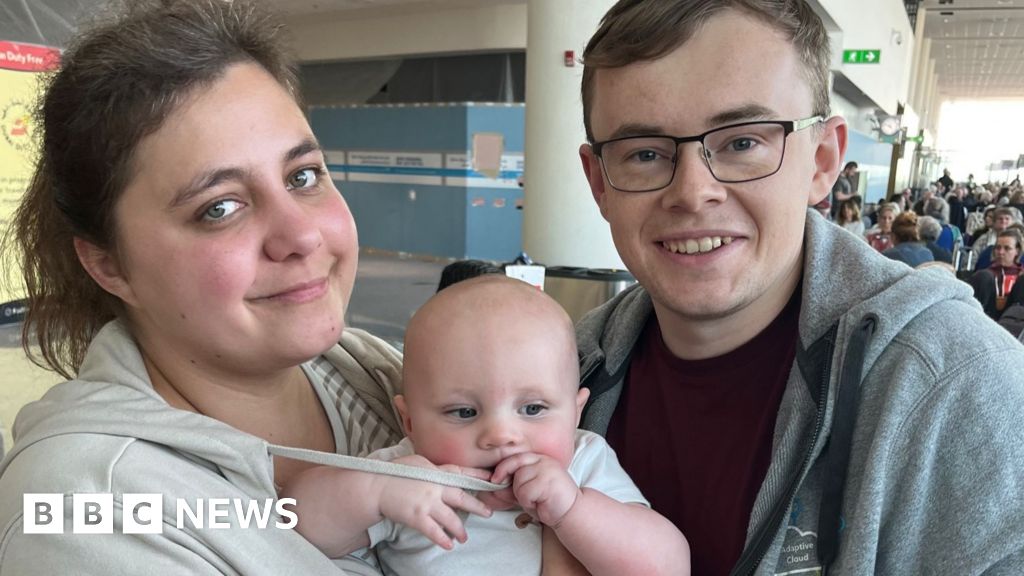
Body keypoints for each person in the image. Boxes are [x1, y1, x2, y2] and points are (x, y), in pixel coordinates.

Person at [576, 1, 1024, 574]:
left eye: (742, 143)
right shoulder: (561, 370)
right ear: (599, 183)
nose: (692, 192)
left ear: (823, 159)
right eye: (644, 153)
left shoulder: (958, 393)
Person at [0, 1, 446, 573]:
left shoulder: (380, 379)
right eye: (220, 208)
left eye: (302, 176)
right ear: (110, 266)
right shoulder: (87, 515)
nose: (301, 235)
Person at [284, 276, 690, 575]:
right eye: (463, 412)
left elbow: (668, 565)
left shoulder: (581, 464)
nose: (501, 436)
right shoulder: (408, 476)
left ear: (576, 412)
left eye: (532, 408)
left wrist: (573, 511)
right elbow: (294, 524)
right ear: (410, 421)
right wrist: (374, 492)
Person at [967, 230, 1024, 320]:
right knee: (983, 277)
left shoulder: (1021, 274)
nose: (1001, 252)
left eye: (1007, 248)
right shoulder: (986, 274)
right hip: (985, 315)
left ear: (1017, 251)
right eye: (998, 248)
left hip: (1014, 320)